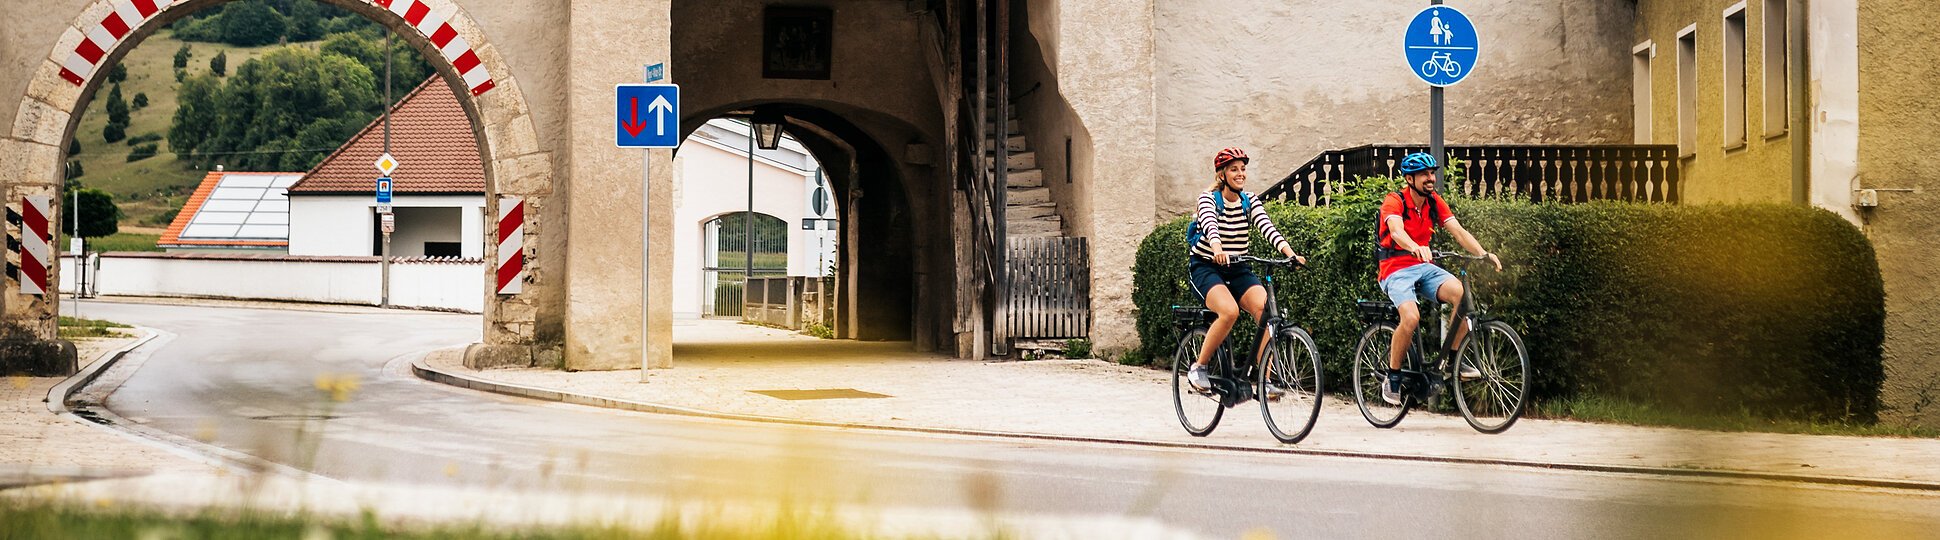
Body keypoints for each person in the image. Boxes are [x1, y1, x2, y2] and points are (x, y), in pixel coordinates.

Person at [1375, 152, 1500, 405]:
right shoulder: (1394, 200)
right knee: (1410, 317)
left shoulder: (1434, 201)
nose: (1431, 178)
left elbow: (1459, 231)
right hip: (1395, 269)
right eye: (1424, 175)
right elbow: (1397, 232)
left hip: (1424, 266)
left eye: (1432, 173)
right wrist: (1414, 247)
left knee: (1461, 294)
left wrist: (1484, 253)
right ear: (1410, 179)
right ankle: (1393, 375)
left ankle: (1454, 360)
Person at [1187, 147, 1305, 392]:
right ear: (1222, 175)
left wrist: (1290, 254)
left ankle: (1265, 379)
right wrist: (1217, 248)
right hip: (1207, 266)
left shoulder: (1250, 200)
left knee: (1267, 313)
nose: (1240, 174)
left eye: (1242, 169)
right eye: (1234, 170)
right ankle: (1199, 367)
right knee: (1229, 312)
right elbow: (1210, 225)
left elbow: (1267, 227)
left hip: (1238, 267)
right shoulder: (1208, 199)